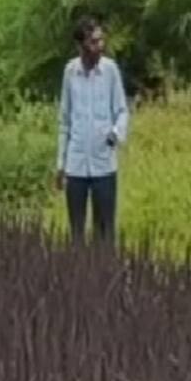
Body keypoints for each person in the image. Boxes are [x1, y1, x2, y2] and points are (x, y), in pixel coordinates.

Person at [55, 15, 130, 244]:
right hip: (76, 164)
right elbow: (65, 120)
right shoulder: (70, 72)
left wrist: (116, 133)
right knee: (76, 231)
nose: (99, 47)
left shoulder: (110, 71)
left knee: (104, 232)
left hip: (104, 165)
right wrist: (61, 164)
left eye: (100, 41)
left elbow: (122, 111)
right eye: (93, 43)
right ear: (81, 46)